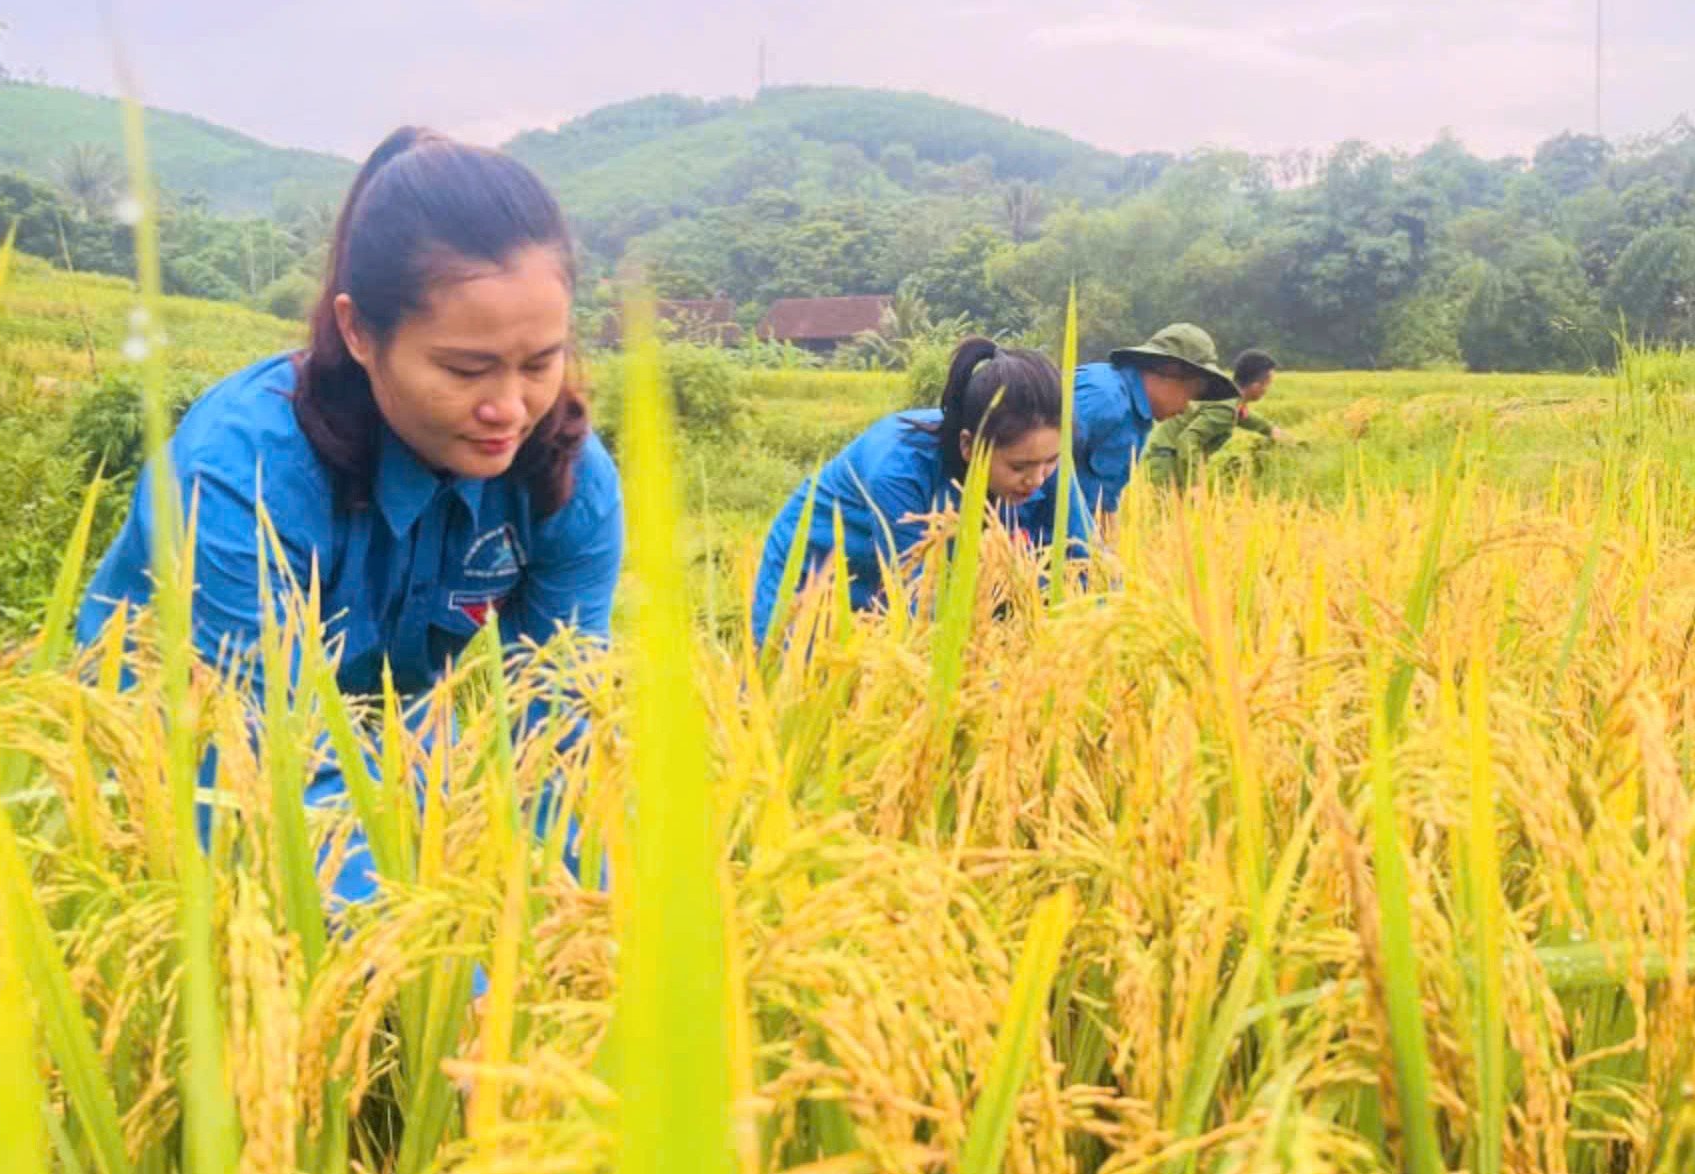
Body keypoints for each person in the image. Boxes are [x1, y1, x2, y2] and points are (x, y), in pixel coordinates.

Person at [76, 126, 623, 906]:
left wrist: (582, 935)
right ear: (359, 331)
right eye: (465, 368)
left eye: (541, 362)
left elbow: (555, 730)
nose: (510, 409)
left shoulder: (566, 478)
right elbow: (269, 768)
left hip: (352, 728)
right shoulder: (242, 474)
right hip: (170, 739)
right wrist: (456, 996)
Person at [751, 336, 1091, 644]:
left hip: (912, 580)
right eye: (1018, 467)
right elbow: (917, 604)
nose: (1037, 479)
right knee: (803, 693)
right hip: (818, 578)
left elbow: (1087, 563)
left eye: (1051, 461)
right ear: (969, 447)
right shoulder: (898, 468)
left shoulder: (1044, 463)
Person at [1070, 323, 1239, 514]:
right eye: (1189, 394)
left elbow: (1103, 504)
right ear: (1169, 369)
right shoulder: (1104, 397)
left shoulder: (1138, 420)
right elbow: (1036, 468)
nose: (1185, 408)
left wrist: (1108, 543)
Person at [1142, 347, 1287, 487]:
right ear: (1256, 386)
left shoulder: (1227, 395)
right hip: (1169, 461)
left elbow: (1242, 416)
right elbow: (1187, 440)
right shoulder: (1227, 408)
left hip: (1170, 456)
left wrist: (1270, 429)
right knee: (1173, 510)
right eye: (1267, 384)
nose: (1267, 389)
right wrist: (1194, 484)